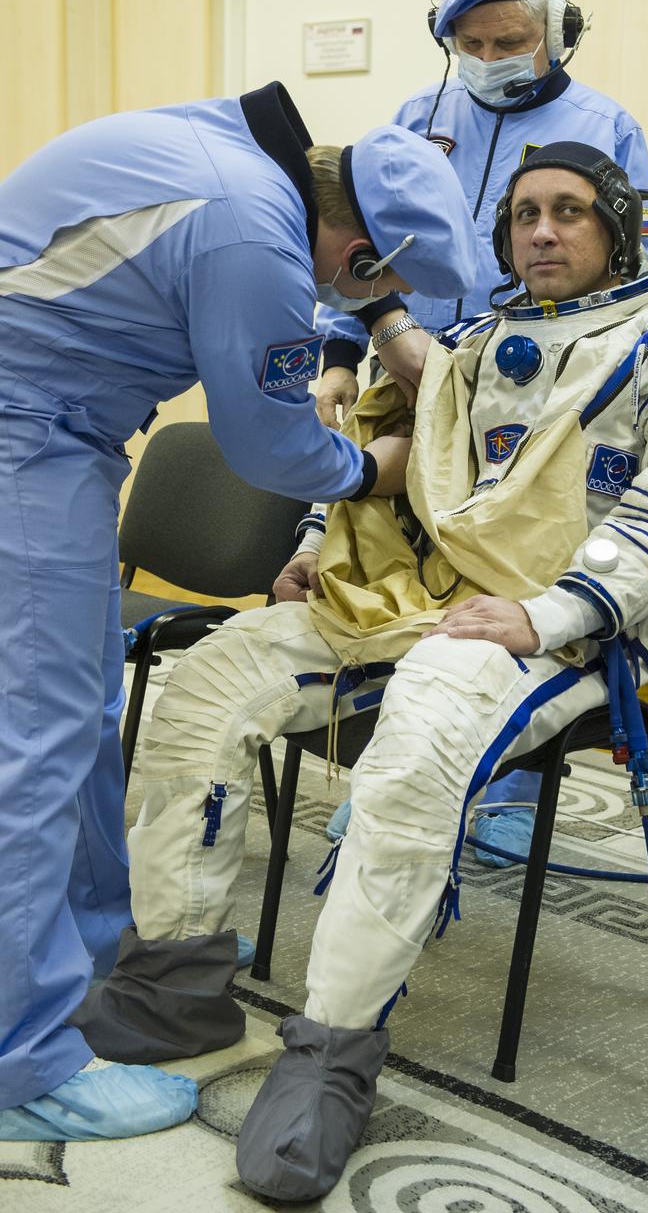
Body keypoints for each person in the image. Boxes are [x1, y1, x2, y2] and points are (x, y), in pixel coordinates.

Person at [70, 142, 648, 1198]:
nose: (541, 230)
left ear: (617, 230)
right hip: (418, 600)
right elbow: (390, 470)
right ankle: (176, 980)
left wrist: (546, 613)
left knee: (421, 731)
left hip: (564, 631)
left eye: (569, 211)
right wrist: (308, 550)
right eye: (525, 213)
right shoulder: (473, 349)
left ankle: (331, 1051)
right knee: (210, 675)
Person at [0, 80, 477, 1140]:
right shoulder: (249, 228)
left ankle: (84, 960)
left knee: (72, 720)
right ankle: (20, 1064)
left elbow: (303, 300)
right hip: (22, 438)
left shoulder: (226, 155)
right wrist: (376, 469)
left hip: (47, 436)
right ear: (354, 247)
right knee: (34, 740)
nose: (378, 300)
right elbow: (268, 446)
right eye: (381, 282)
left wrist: (374, 323)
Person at [313, 0, 648, 857]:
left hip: (537, 391)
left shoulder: (604, 125)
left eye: (507, 41)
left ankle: (506, 777)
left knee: (515, 579)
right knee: (407, 578)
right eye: (469, 44)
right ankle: (404, 769)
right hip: (412, 380)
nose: (488, 61)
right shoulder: (413, 116)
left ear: (555, 34)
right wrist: (345, 352)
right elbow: (361, 248)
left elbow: (639, 260)